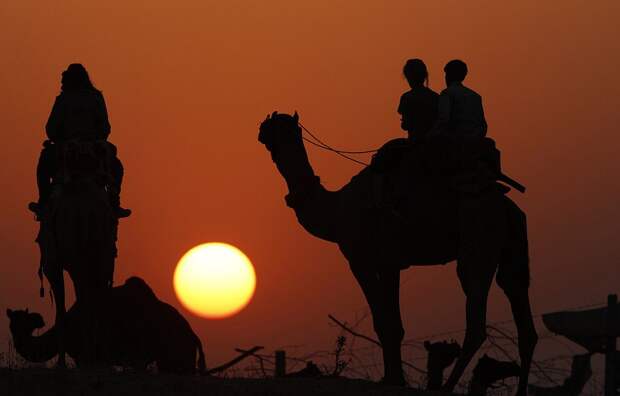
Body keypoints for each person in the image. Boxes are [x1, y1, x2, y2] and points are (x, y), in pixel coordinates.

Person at [29, 63, 131, 219]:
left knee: (43, 165)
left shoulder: (63, 99)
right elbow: (105, 128)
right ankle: (114, 201)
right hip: (94, 147)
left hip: (66, 147)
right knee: (117, 167)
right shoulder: (96, 97)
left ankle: (43, 203)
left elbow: (51, 129)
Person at [431, 59, 487, 139]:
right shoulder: (475, 96)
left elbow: (443, 119)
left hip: (455, 140)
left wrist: (430, 134)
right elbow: (482, 125)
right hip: (474, 139)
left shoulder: (447, 93)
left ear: (448, 75)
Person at [397, 59, 439, 140]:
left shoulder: (407, 97)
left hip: (414, 140)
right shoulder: (435, 97)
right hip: (433, 141)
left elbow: (405, 125)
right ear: (424, 76)